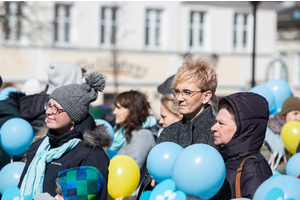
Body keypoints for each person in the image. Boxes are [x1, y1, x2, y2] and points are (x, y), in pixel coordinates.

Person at [18, 71, 112, 200]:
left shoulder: (90, 155)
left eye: (55, 108)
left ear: (74, 117)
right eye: (48, 105)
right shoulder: (37, 147)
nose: (48, 111)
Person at [136, 55, 218, 200]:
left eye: (187, 92)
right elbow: (149, 177)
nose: (179, 98)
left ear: (206, 96)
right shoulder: (169, 132)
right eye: (177, 92)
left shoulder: (216, 131)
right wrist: (153, 183)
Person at [211, 92, 272, 199]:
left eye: (221, 123)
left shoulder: (254, 167)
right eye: (216, 122)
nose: (213, 127)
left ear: (241, 128)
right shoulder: (223, 160)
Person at [109, 90, 157, 195]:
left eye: (119, 108)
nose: (114, 112)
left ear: (132, 110)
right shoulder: (120, 133)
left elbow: (130, 170)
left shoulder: (142, 134)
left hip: (130, 195)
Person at [263, 96, 300, 172]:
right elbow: (266, 168)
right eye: (295, 113)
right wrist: (293, 165)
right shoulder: (269, 134)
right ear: (284, 115)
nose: (299, 118)